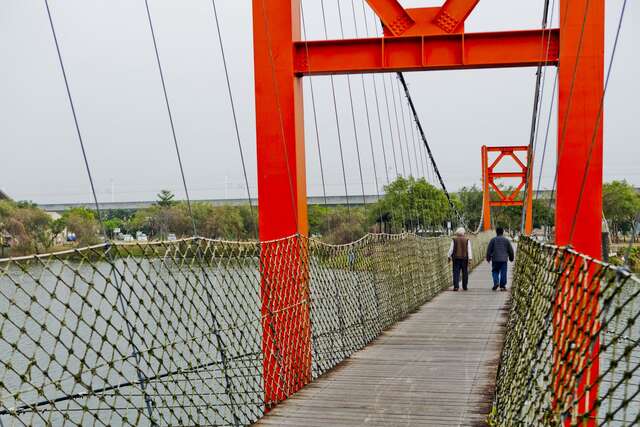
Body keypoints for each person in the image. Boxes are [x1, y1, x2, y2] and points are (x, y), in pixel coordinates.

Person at [486, 227, 515, 291]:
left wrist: (488, 258)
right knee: (503, 272)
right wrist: (511, 258)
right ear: (503, 232)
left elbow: (489, 250)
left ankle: (496, 282)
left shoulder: (493, 240)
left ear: (496, 232)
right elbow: (511, 250)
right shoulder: (506, 240)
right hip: (504, 259)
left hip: (495, 259)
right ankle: (502, 286)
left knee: (495, 271)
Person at [448, 227, 473, 291]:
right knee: (465, 273)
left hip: (456, 259)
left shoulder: (454, 240)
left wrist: (449, 256)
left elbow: (451, 249)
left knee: (456, 272)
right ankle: (465, 286)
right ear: (463, 233)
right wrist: (470, 258)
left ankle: (456, 286)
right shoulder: (467, 240)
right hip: (465, 259)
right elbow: (469, 250)